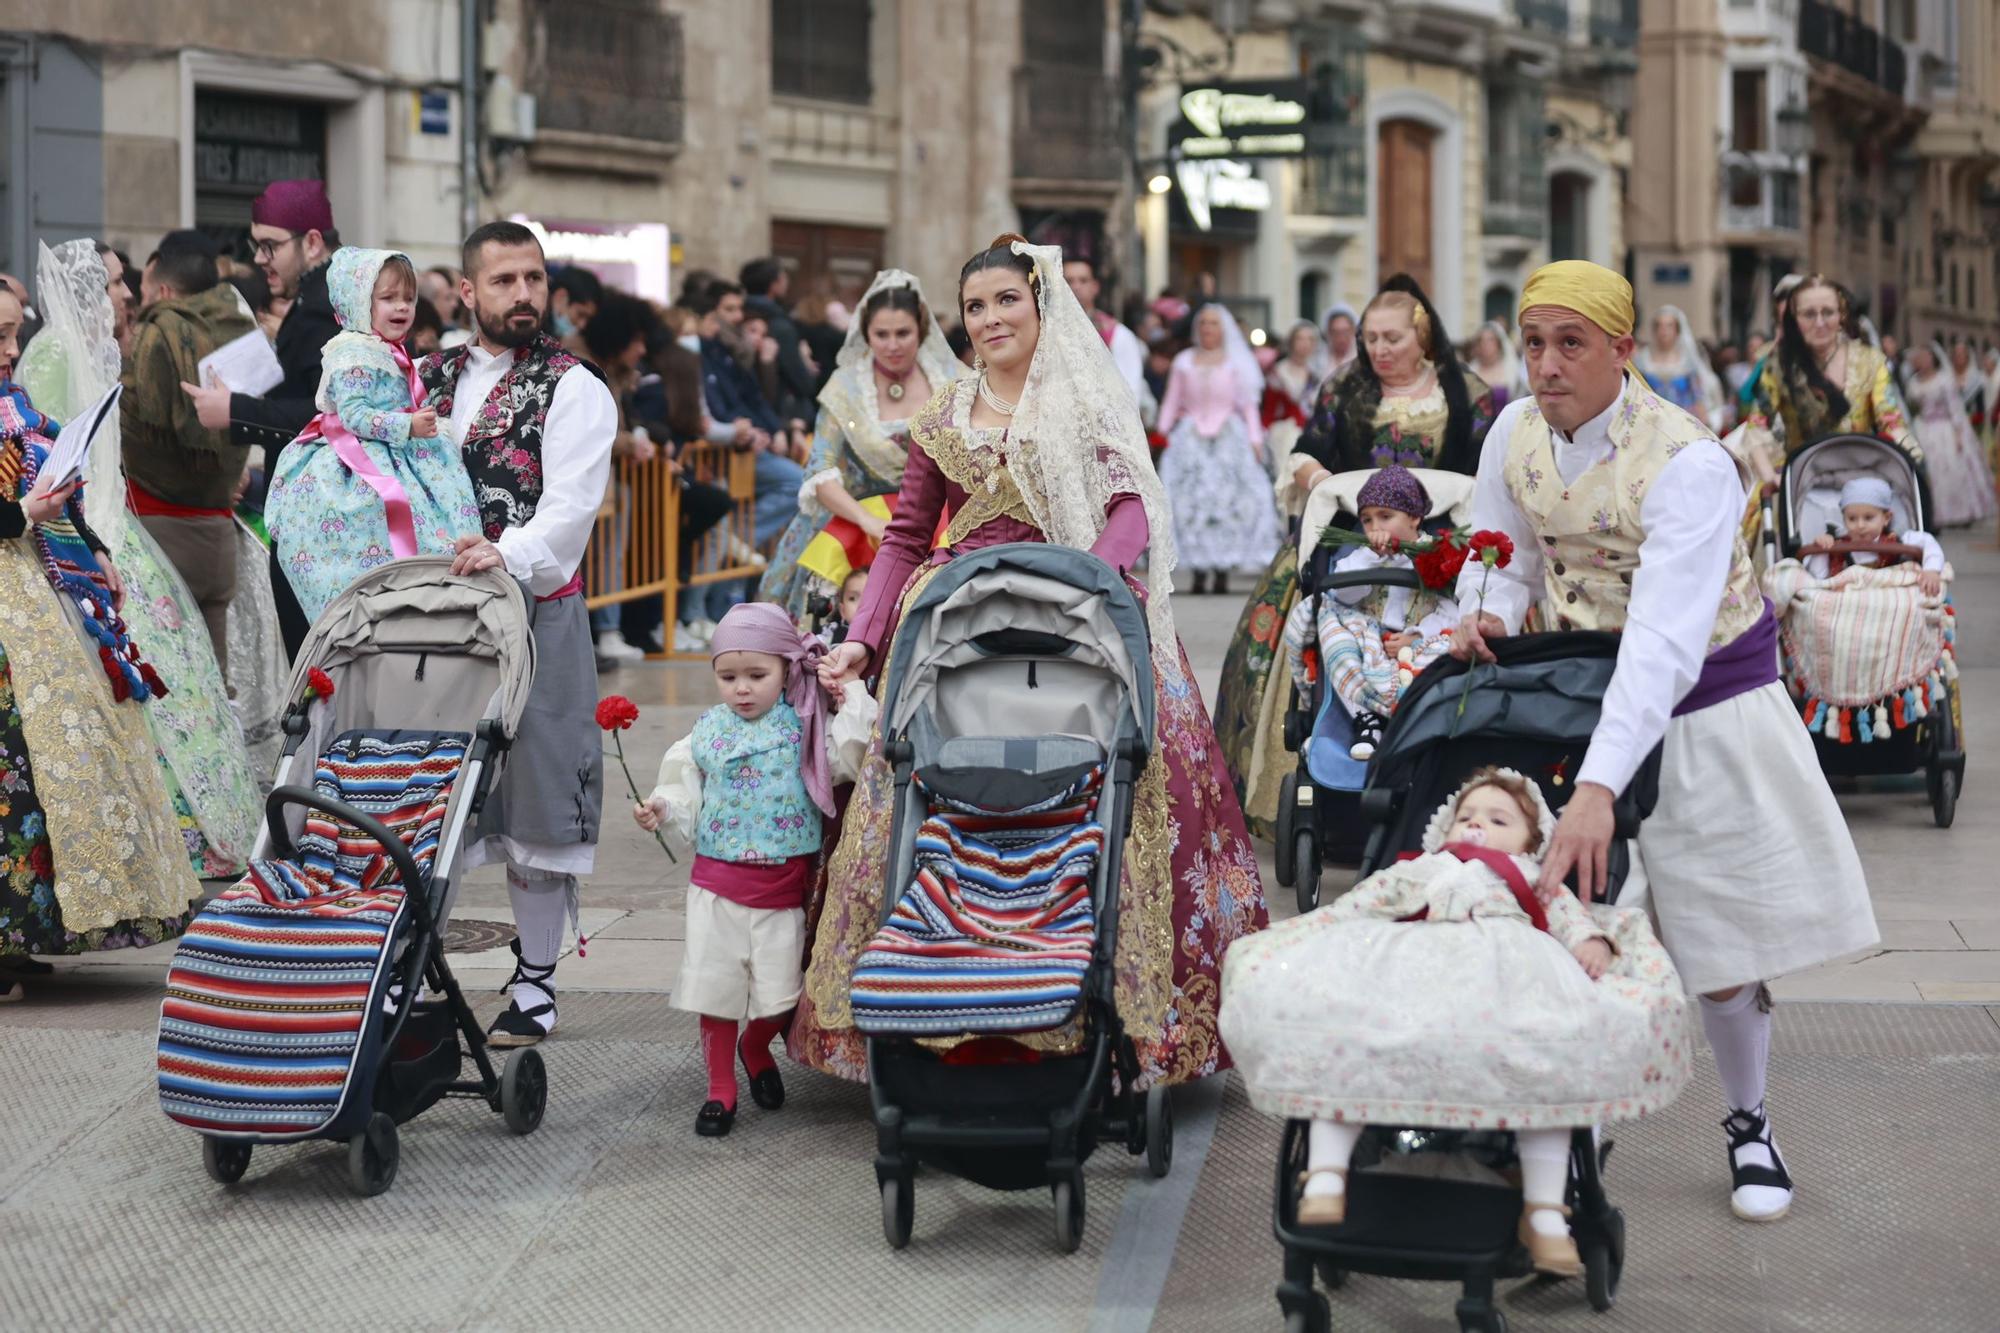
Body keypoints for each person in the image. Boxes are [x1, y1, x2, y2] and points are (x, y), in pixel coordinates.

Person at [1453, 259, 1877, 1222]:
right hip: (1575, 693)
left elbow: (1664, 641)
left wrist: (1601, 787)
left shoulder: (1688, 461)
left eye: (1571, 344)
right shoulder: (1512, 433)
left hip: (1705, 703)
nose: (1547, 366)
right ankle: (1581, 1124)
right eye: (1532, 343)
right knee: (1580, 926)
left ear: (1622, 349)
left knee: (1719, 938)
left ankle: (1749, 1120)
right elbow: (1504, 556)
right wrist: (1483, 613)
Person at [798, 235, 1268, 1086]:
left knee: (1119, 795)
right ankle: (939, 1008)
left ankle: (1111, 1021)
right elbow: (907, 536)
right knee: (925, 798)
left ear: (1041, 304)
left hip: (1079, 624)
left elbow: (1130, 507)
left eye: (1005, 301)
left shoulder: (1084, 402)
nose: (989, 320)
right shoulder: (943, 415)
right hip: (960, 633)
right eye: (975, 307)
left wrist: (1086, 585)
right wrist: (866, 637)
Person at [1221, 768, 1687, 1274]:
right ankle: (1325, 1176)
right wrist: (1309, 931)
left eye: (1497, 819)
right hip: (1413, 973)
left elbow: (1567, 914)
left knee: (1552, 1076)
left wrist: (1590, 943)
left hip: (1510, 977)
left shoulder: (1531, 875)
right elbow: (1361, 904)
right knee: (1347, 1039)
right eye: (1465, 816)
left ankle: (1547, 1212)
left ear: (1533, 842)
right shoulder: (1423, 868)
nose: (1477, 826)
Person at [419, 220, 618, 1047]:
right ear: (467, 292)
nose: (523, 295)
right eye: (503, 281)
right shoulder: (423, 378)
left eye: (533, 278)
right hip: (431, 617)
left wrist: (502, 552)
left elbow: (569, 512)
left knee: (534, 800)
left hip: (534, 611)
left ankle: (535, 981)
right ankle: (406, 968)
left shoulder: (575, 386)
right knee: (428, 794)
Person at [1214, 276, 1497, 839]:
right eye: (1370, 338)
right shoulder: (1345, 388)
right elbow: (1308, 452)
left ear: (1424, 338)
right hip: (1354, 543)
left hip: (1439, 550)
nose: (1379, 350)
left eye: (1392, 338)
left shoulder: (1467, 392)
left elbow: (1488, 467)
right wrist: (1321, 481)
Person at [15, 239, 262, 880]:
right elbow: (41, 456)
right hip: (75, 534)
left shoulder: (107, 351)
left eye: (125, 282)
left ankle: (202, 835)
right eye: (113, 283)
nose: (127, 294)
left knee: (178, 681)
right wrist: (85, 540)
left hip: (113, 532)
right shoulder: (48, 355)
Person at [0, 288, 204, 999]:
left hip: (34, 582)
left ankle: (28, 929)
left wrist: (91, 548)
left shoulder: (15, 405)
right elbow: (22, 499)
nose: (7, 351)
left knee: (58, 755)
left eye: (10, 333)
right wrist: (22, 511)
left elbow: (46, 480)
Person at [634, 603, 870, 1135]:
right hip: (717, 884)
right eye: (728, 677)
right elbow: (681, 786)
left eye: (756, 676)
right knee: (715, 989)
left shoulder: (807, 730)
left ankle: (756, 1044)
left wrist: (849, 694)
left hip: (784, 885)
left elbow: (851, 756)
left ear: (788, 667)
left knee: (781, 992)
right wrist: (663, 809)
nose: (742, 689)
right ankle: (721, 1088)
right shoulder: (707, 732)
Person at [265, 248, 483, 623]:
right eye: (387, 298)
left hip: (402, 449)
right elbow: (353, 415)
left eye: (409, 299)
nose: (402, 308)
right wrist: (407, 426)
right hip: (360, 454)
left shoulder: (388, 349)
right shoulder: (352, 351)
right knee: (375, 517)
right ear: (357, 301)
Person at [179, 179, 342, 660]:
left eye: (270, 246)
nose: (261, 259)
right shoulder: (320, 300)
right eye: (257, 246)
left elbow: (325, 416)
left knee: (319, 675)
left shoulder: (320, 308)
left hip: (320, 529)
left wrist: (234, 410)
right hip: (317, 522)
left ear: (312, 242)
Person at [758, 269, 963, 621]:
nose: (893, 345)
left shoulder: (954, 380)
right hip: (853, 519)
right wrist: (868, 522)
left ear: (922, 331)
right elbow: (819, 470)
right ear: (865, 333)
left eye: (903, 333)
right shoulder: (845, 387)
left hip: (940, 520)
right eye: (881, 334)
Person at [119, 229, 256, 671]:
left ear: (161, 287)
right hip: (219, 529)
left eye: (138, 288)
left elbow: (144, 423)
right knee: (214, 682)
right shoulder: (239, 324)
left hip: (162, 531)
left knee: (172, 685)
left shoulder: (157, 333)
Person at [1279, 466, 1459, 760]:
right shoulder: (1360, 556)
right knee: (1333, 627)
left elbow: (1452, 610)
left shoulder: (1436, 554)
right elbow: (1343, 594)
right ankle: (1367, 720)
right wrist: (1370, 557)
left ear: (1414, 518)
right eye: (1366, 520)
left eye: (1386, 517)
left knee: (1448, 651)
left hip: (1420, 642)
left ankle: (1415, 720)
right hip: (1369, 642)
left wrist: (1416, 635)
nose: (1375, 527)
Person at [1742, 275, 1914, 485]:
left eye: (1828, 312)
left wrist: (1910, 460)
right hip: (1801, 486)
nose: (1820, 323)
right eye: (1809, 314)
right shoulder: (1779, 366)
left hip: (1860, 484)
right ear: (1794, 319)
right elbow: (1757, 426)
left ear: (1841, 316)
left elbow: (1891, 420)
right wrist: (1770, 477)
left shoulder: (1870, 362)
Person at [1157, 302, 1280, 595]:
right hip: (1190, 437)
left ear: (1222, 329)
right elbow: (1172, 401)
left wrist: (1255, 439)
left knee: (1228, 504)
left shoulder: (1235, 363)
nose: (1208, 329)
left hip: (1229, 436)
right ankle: (1198, 570)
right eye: (1203, 324)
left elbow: (1248, 405)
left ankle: (1223, 569)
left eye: (1213, 324)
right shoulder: (1184, 361)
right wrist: (1161, 433)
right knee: (1191, 503)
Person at [1900, 341, 1997, 527]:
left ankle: (1957, 513)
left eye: (1927, 357)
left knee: (1949, 472)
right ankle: (1929, 512)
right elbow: (1911, 408)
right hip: (1922, 429)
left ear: (1934, 359)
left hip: (1944, 429)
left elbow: (1955, 408)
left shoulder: (1944, 379)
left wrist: (1959, 434)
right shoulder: (1913, 382)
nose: (1923, 361)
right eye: (1920, 358)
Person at [1799, 476, 1946, 593]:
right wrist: (1822, 550)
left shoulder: (1901, 541)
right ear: (1843, 519)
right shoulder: (1838, 547)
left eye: (1868, 518)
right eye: (1852, 519)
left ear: (1886, 518)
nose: (1860, 525)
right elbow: (1819, 578)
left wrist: (1931, 570)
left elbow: (1929, 543)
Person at [1063, 255, 1148, 409]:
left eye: (1083, 280)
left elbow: (1131, 390)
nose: (1075, 287)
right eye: (1068, 281)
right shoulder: (1042, 329)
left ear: (1095, 287)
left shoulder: (1118, 334)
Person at [1634, 305, 1727, 432]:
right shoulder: (1642, 360)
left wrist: (1705, 427)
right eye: (1660, 326)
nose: (1664, 331)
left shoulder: (1687, 362)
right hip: (1650, 424)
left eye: (1669, 326)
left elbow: (1697, 396)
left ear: (1677, 331)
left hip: (1682, 425)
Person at [1263, 320, 1324, 484]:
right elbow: (1269, 409)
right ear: (1291, 342)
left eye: (1309, 339)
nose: (1305, 344)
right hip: (1284, 432)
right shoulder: (1279, 372)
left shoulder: (1317, 374)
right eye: (1300, 339)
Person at [1467, 319, 1526, 406]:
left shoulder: (1511, 371)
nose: (1485, 345)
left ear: (1499, 344)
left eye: (1490, 340)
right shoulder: (1471, 370)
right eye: (1481, 340)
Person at [1320, 302, 1359, 380]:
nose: (1341, 338)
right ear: (1329, 333)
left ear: (1353, 331)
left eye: (1345, 332)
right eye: (1336, 332)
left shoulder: (1361, 358)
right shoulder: (1319, 359)